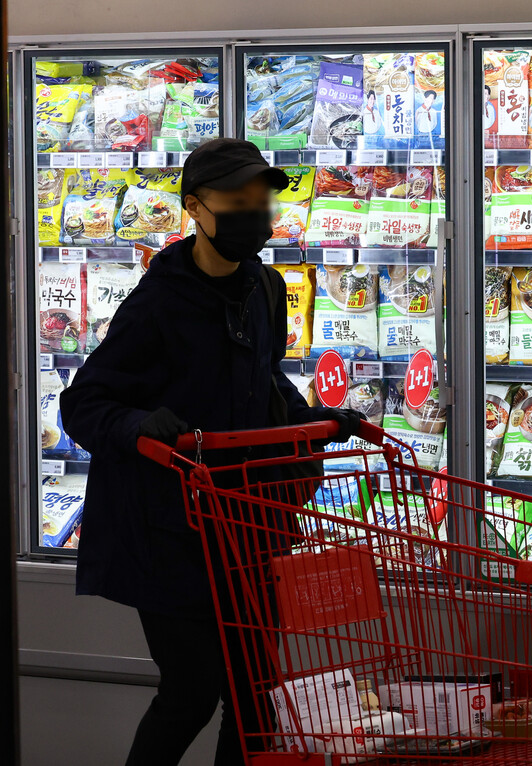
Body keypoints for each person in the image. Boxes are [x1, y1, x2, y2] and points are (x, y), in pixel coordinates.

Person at [61, 138, 365, 766]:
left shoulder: (267, 288)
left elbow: (262, 381)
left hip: (246, 523)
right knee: (192, 689)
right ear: (196, 208)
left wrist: (312, 421)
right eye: (237, 201)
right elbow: (85, 403)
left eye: (262, 199)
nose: (255, 212)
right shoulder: (158, 303)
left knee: (257, 700)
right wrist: (145, 424)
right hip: (167, 530)